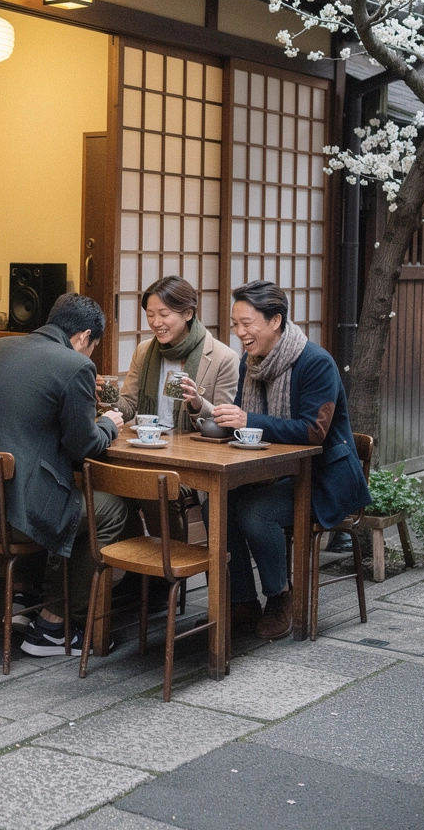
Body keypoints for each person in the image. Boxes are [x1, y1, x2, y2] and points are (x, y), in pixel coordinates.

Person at [0, 292, 126, 657]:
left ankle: (21, 603)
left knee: (43, 489)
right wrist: (108, 424)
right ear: (84, 336)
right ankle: (54, 625)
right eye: (93, 347)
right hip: (8, 518)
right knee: (109, 508)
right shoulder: (75, 365)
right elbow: (83, 446)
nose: (90, 355)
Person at [210, 280, 371, 641]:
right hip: (270, 472)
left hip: (321, 477)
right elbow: (241, 419)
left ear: (276, 321)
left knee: (255, 512)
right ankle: (241, 600)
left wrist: (247, 421)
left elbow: (313, 432)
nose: (239, 333)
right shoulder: (249, 364)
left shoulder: (315, 362)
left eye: (247, 323)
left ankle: (280, 595)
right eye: (235, 323)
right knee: (216, 503)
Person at [103, 275, 239, 544]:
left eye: (164, 314)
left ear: (188, 313)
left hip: (190, 460)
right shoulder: (144, 352)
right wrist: (107, 397)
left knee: (157, 489)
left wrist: (197, 403)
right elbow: (129, 407)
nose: (155, 323)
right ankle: (138, 573)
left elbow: (224, 423)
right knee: (112, 486)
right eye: (150, 315)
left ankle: (166, 576)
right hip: (145, 451)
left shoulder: (223, 357)